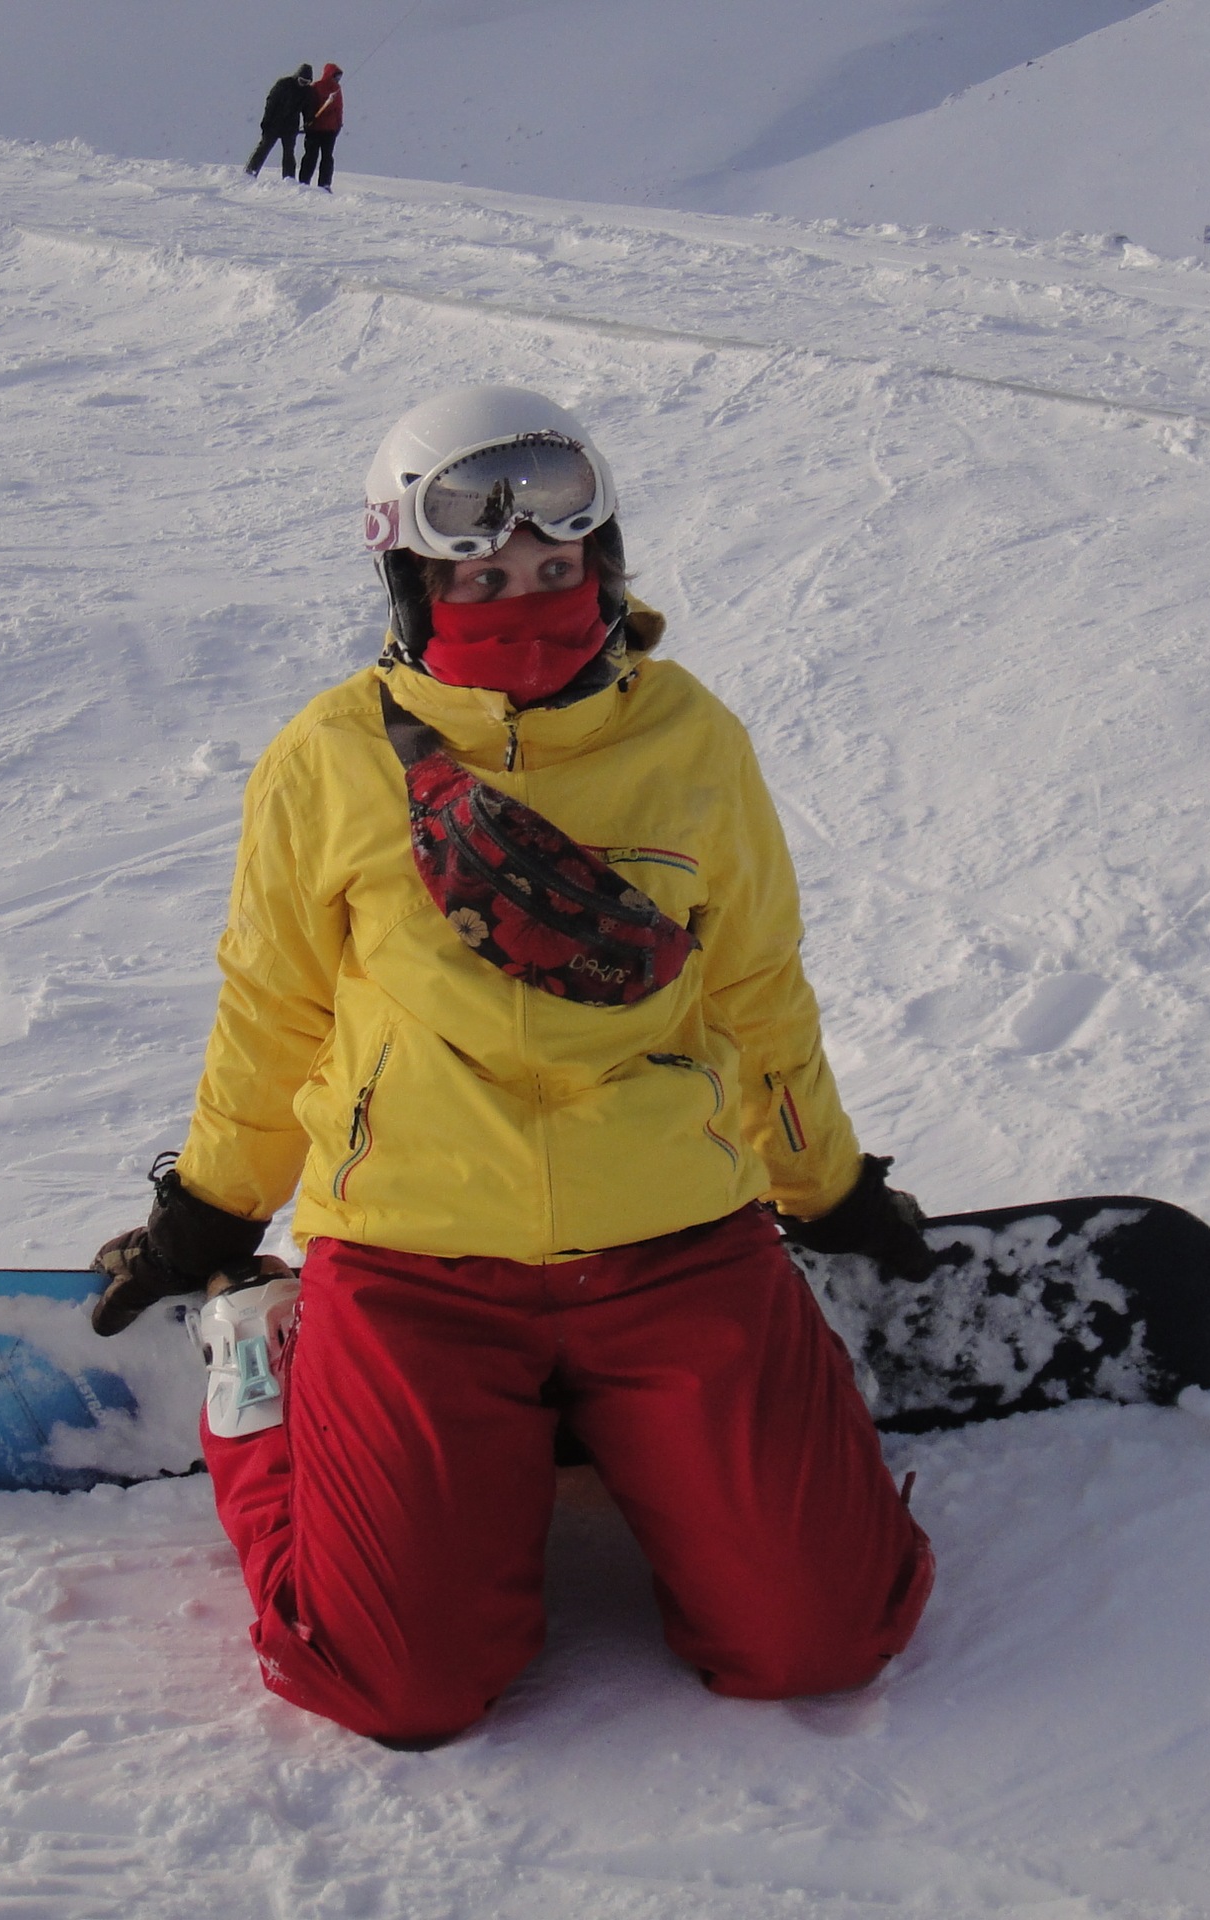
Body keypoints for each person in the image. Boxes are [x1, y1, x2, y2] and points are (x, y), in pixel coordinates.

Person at [91, 386, 936, 1746]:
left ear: (606, 562)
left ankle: (650, 1421)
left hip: (672, 1247)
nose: (525, 605)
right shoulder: (328, 760)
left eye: (555, 571)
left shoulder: (692, 742)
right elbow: (273, 1011)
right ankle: (264, 1390)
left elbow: (758, 996)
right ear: (414, 587)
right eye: (480, 581)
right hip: (418, 1265)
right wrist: (210, 1211)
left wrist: (826, 1190)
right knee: (396, 1685)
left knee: (824, 1638)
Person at [246, 64, 313, 180]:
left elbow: (307, 109)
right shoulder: (283, 84)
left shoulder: (307, 91)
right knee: (264, 147)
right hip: (274, 124)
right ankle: (251, 171)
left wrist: (308, 121)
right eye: (302, 81)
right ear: (297, 76)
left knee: (289, 153)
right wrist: (266, 121)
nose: (303, 84)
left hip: (291, 127)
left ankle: (289, 178)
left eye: (306, 82)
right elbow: (271, 102)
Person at [298, 61, 343, 191]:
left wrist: (338, 124)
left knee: (319, 157)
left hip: (324, 129)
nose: (338, 79)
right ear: (330, 74)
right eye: (336, 76)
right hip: (319, 129)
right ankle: (318, 183)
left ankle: (310, 182)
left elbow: (339, 109)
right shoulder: (318, 87)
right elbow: (310, 105)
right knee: (317, 157)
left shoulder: (333, 89)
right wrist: (338, 124)